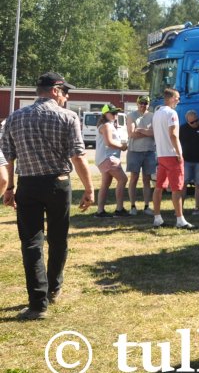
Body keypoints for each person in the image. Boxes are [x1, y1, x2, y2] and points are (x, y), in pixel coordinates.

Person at [0, 72, 95, 320]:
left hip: (28, 185)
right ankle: (53, 287)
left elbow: (8, 157)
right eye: (64, 92)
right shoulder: (67, 117)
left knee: (31, 243)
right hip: (58, 183)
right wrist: (88, 188)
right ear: (55, 90)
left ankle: (37, 303)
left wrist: (9, 188)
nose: (66, 97)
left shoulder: (15, 118)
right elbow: (78, 156)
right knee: (58, 238)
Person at [151, 88, 195, 230]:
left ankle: (157, 218)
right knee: (177, 188)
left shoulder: (157, 113)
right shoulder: (172, 113)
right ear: (170, 98)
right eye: (177, 97)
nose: (178, 100)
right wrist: (179, 152)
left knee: (159, 187)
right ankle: (180, 220)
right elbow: (173, 135)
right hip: (171, 154)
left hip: (161, 154)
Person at [93, 104, 129, 217]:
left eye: (116, 113)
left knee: (105, 184)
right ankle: (119, 209)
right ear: (105, 114)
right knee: (123, 179)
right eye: (113, 113)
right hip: (108, 158)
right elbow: (109, 142)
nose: (115, 115)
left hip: (103, 158)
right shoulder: (107, 126)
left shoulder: (107, 125)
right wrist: (122, 146)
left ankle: (100, 211)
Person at [125, 94, 157, 215]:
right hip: (134, 151)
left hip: (149, 151)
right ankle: (133, 206)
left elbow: (156, 132)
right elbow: (132, 134)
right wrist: (148, 132)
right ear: (137, 104)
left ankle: (147, 206)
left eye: (145, 103)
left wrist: (141, 130)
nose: (143, 105)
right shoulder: (131, 116)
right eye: (141, 103)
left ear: (148, 104)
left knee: (147, 179)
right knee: (134, 178)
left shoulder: (153, 116)